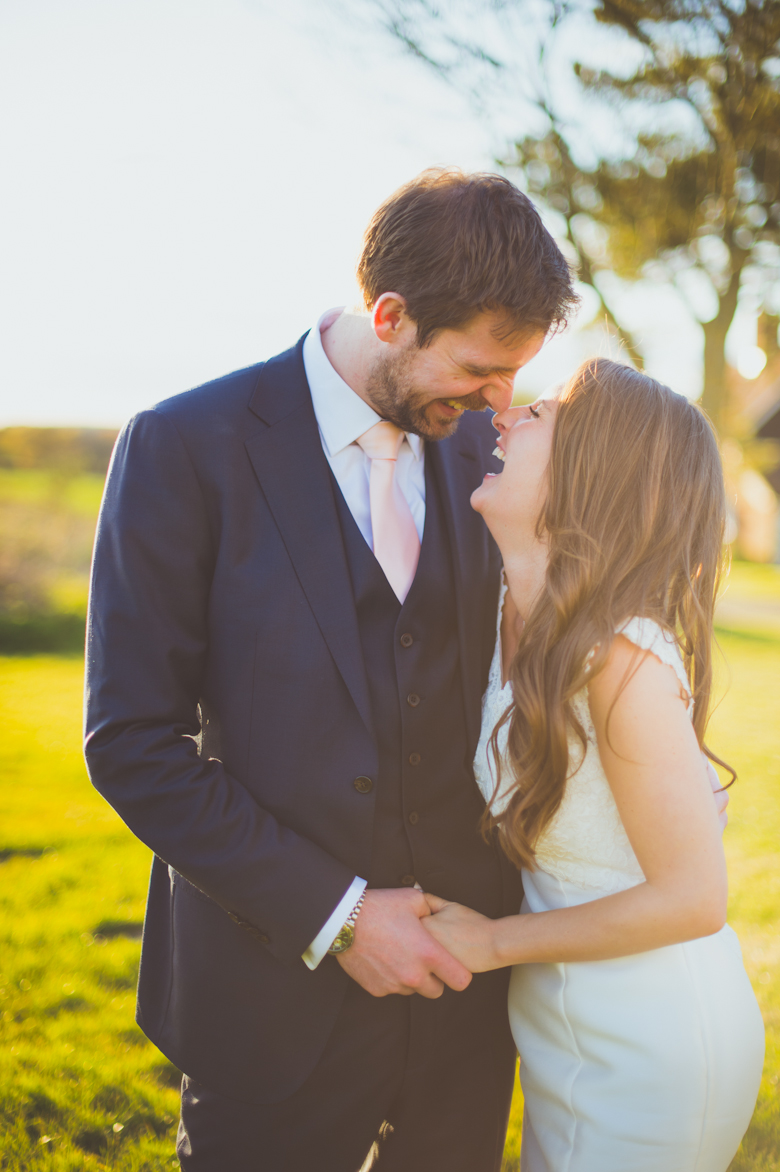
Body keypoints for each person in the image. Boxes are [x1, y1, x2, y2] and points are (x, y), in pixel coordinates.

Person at [83, 168, 580, 1171]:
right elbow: (133, 743)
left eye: (516, 372)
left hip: (464, 1001)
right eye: (482, 367)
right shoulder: (184, 445)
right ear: (389, 314)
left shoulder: (493, 448)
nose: (502, 399)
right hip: (268, 1001)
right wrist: (340, 914)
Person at [422, 358, 765, 1172]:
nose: (501, 420)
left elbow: (695, 897)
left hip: (654, 1040)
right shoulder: (505, 606)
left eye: (537, 414)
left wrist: (492, 942)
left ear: (593, 467)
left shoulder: (622, 657)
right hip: (559, 1023)